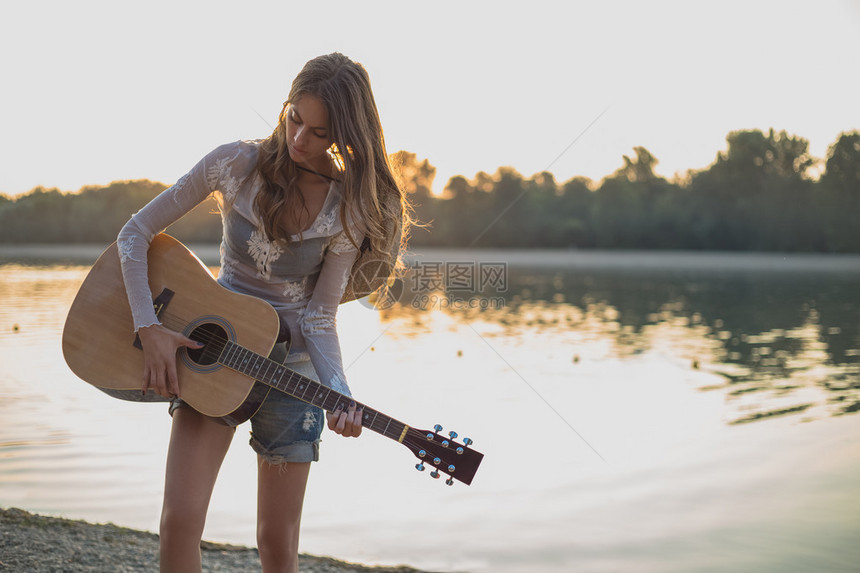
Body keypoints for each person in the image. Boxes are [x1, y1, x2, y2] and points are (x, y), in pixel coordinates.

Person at [116, 53, 410, 573]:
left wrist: (339, 393)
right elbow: (134, 234)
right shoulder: (233, 163)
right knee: (178, 521)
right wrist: (150, 326)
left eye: (320, 132)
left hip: (291, 374)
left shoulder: (348, 208)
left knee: (276, 541)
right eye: (295, 118)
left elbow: (319, 318)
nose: (300, 139)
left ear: (344, 135)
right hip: (212, 353)